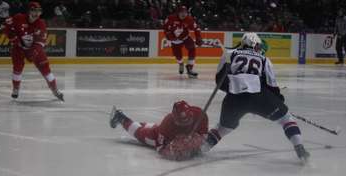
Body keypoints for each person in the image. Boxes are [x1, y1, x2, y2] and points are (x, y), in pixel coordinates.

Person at [201, 32, 310, 164]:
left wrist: (234, 90)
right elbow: (272, 86)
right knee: (286, 118)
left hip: (234, 99)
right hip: (259, 97)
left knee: (223, 128)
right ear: (254, 44)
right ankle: (299, 148)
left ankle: (201, 149)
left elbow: (220, 80)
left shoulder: (229, 54)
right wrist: (278, 102)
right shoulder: (264, 59)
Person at [1, 1, 64, 101]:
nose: (36, 14)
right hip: (18, 48)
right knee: (17, 68)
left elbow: (40, 42)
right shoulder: (18, 17)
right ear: (28, 11)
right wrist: (13, 38)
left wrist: (34, 52)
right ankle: (16, 88)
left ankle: (55, 89)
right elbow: (4, 26)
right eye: (33, 11)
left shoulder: (41, 23)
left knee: (45, 68)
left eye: (38, 11)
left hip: (34, 49)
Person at [109, 100, 208, 161]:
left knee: (153, 127)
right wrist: (174, 152)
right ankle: (120, 117)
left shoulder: (201, 115)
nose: (185, 124)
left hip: (166, 132)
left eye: (187, 121)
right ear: (174, 119)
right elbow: (160, 148)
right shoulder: (167, 123)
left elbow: (204, 136)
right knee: (140, 133)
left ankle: (146, 125)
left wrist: (195, 142)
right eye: (181, 123)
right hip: (158, 136)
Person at [163, 5, 203, 78]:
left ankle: (190, 68)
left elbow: (197, 28)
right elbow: (165, 27)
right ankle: (181, 64)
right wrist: (168, 35)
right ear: (178, 13)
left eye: (185, 12)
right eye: (182, 12)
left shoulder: (189, 19)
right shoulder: (170, 18)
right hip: (175, 41)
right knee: (178, 56)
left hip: (185, 37)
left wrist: (198, 37)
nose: (183, 14)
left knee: (192, 48)